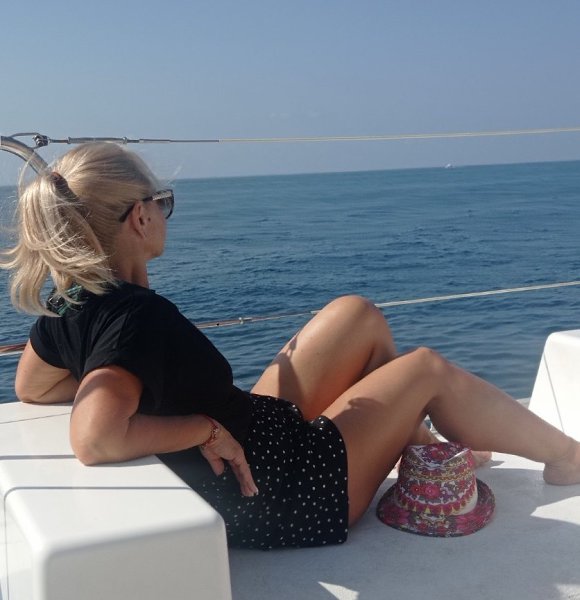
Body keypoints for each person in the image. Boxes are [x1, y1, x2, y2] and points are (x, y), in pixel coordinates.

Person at [2, 142, 580, 550]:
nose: (164, 212)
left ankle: (417, 444)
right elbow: (96, 436)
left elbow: (32, 386)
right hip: (290, 492)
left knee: (356, 315)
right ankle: (567, 457)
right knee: (426, 368)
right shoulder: (138, 321)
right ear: (138, 218)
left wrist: (145, 388)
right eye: (162, 201)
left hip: (264, 440)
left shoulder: (68, 305)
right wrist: (202, 429)